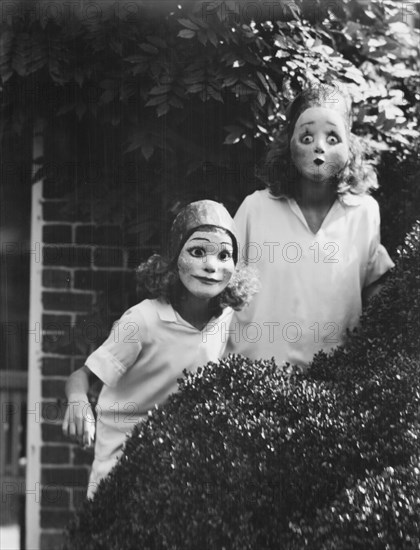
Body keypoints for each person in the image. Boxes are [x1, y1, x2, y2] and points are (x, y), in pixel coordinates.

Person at [62, 200, 259, 497]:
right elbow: (81, 377)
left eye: (224, 255)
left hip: (182, 473)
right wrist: (78, 402)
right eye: (197, 252)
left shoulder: (228, 319)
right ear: (174, 258)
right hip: (120, 470)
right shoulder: (143, 320)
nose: (211, 265)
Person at [226, 82, 394, 371]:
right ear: (289, 142)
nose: (319, 146)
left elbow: (374, 285)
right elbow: (220, 286)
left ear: (349, 144)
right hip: (254, 382)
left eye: (332, 136)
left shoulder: (365, 212)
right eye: (307, 136)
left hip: (330, 388)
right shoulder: (255, 209)